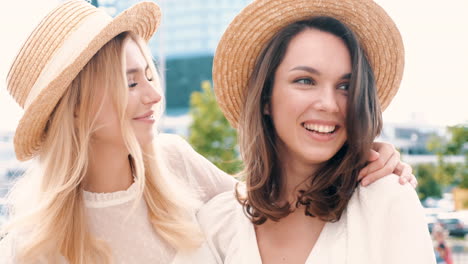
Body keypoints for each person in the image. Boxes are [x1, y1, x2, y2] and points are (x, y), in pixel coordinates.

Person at [0, 0, 416, 263]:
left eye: (149, 74)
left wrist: (372, 153)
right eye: (129, 83)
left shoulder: (176, 163)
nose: (153, 95)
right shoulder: (29, 246)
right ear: (75, 111)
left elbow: (271, 202)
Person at [197, 0, 436, 263]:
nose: (329, 104)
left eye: (346, 86)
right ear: (266, 97)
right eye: (305, 81)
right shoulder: (218, 223)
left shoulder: (386, 202)